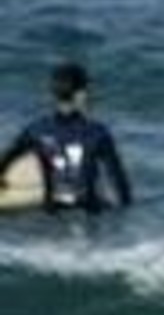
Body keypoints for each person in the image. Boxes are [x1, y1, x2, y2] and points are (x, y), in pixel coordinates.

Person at [0, 60, 133, 212]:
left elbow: (7, 158)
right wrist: (126, 213)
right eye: (87, 90)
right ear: (79, 95)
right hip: (89, 215)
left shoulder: (37, 130)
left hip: (52, 214)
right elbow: (118, 182)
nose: (90, 95)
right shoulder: (98, 133)